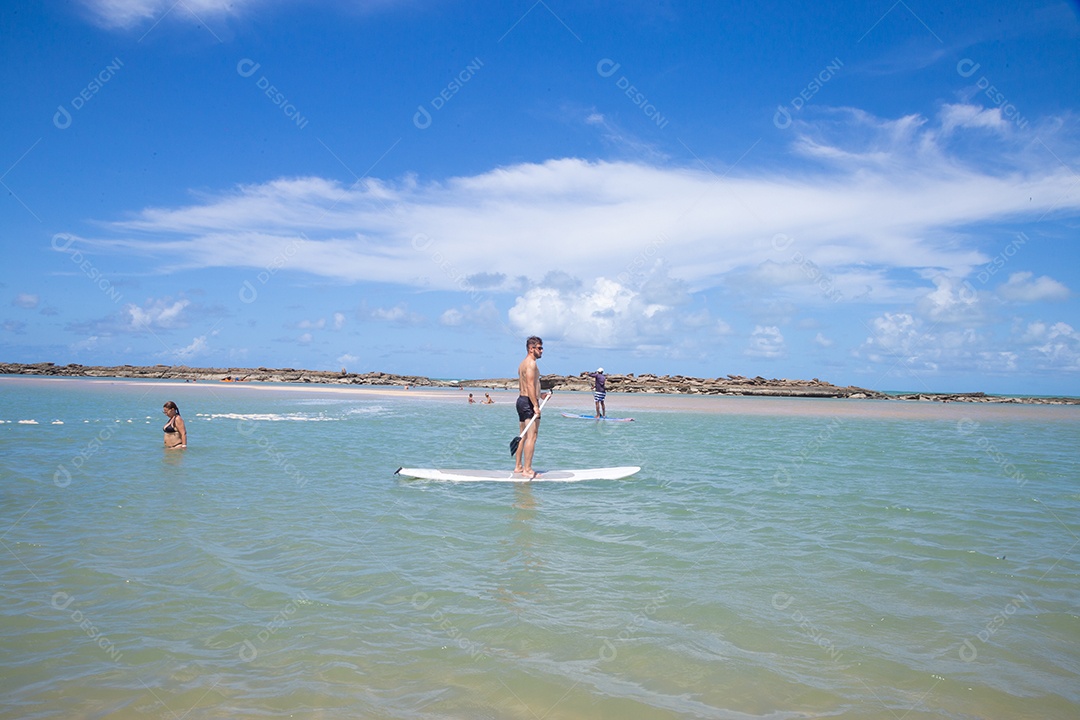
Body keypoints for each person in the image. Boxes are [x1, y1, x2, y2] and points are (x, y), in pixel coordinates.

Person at [514, 336, 546, 479]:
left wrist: (541, 395)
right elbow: (530, 386)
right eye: (539, 348)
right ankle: (527, 470)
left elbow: (530, 386)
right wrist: (535, 405)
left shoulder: (522, 364)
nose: (542, 350)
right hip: (528, 402)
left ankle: (518, 467)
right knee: (532, 437)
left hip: (521, 400)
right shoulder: (531, 364)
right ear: (531, 348)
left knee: (523, 436)